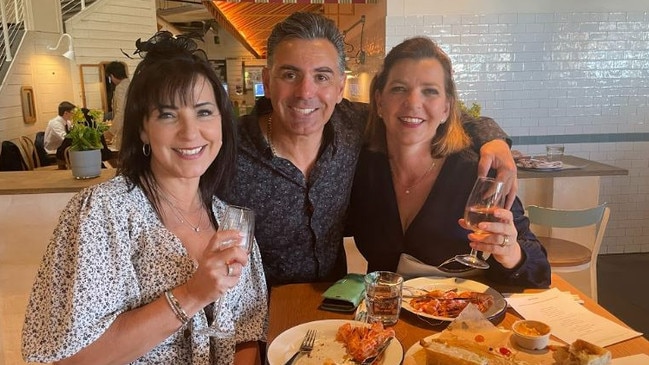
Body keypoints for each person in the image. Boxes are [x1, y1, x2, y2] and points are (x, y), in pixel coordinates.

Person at [22, 31, 267, 364]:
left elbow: (247, 332)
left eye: (204, 112)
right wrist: (192, 294)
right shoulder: (102, 213)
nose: (190, 132)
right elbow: (70, 359)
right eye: (167, 115)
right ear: (142, 129)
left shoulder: (230, 219)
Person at [227, 12, 518, 287]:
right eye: (290, 75)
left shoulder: (352, 125)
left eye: (322, 76)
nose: (306, 92)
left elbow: (425, 114)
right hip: (253, 318)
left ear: (340, 86)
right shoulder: (227, 149)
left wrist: (494, 140)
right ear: (266, 81)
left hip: (331, 307)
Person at [346, 37, 550, 288]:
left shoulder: (477, 171)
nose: (412, 102)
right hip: (382, 317)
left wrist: (509, 253)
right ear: (379, 101)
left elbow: (539, 269)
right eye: (399, 88)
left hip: (461, 318)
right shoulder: (361, 167)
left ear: (446, 108)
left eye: (430, 91)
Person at [104, 61, 130, 149]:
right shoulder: (131, 84)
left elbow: (121, 112)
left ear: (112, 76)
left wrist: (111, 132)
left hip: (125, 132)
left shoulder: (121, 88)